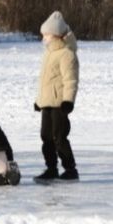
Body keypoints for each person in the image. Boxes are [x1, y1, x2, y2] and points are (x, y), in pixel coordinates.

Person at [34, 11, 79, 182]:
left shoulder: (67, 54)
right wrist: (39, 101)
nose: (43, 38)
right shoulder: (49, 54)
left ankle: (70, 169)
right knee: (46, 137)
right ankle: (51, 168)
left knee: (59, 137)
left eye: (46, 35)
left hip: (60, 104)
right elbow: (46, 82)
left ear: (56, 35)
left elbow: (70, 80)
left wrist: (68, 101)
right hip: (47, 103)